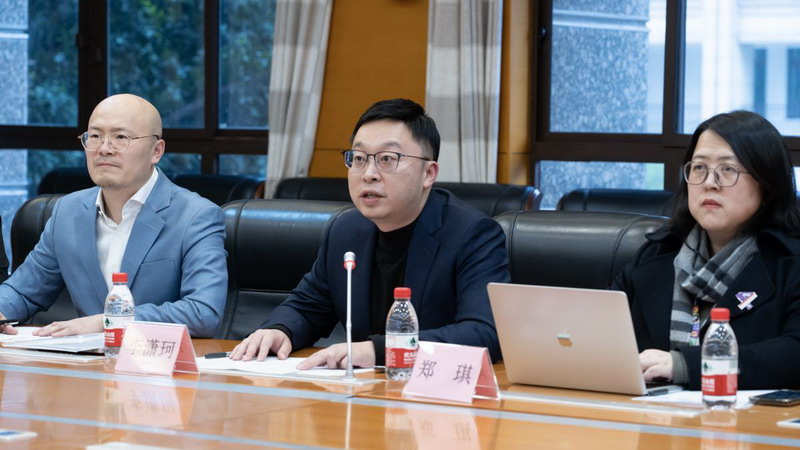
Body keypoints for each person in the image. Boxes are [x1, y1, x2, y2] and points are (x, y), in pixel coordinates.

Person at [230, 98, 509, 367]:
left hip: (436, 391)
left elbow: (483, 333)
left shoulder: (472, 234)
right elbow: (308, 307)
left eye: (387, 159)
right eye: (359, 158)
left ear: (428, 174)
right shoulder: (346, 230)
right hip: (366, 390)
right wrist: (280, 330)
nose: (369, 173)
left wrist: (378, 351)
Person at [0, 94, 227, 338]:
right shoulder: (68, 210)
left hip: (155, 358)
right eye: (95, 136)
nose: (104, 149)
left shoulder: (196, 216)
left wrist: (108, 322)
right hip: (83, 358)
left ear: (156, 151)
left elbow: (203, 312)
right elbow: (22, 292)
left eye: (121, 137)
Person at [613, 110, 800, 390]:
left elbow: (794, 355)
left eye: (728, 169)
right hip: (650, 413)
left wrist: (685, 365)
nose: (710, 182)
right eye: (699, 167)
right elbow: (600, 334)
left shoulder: (790, 262)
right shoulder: (656, 254)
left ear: (766, 184)